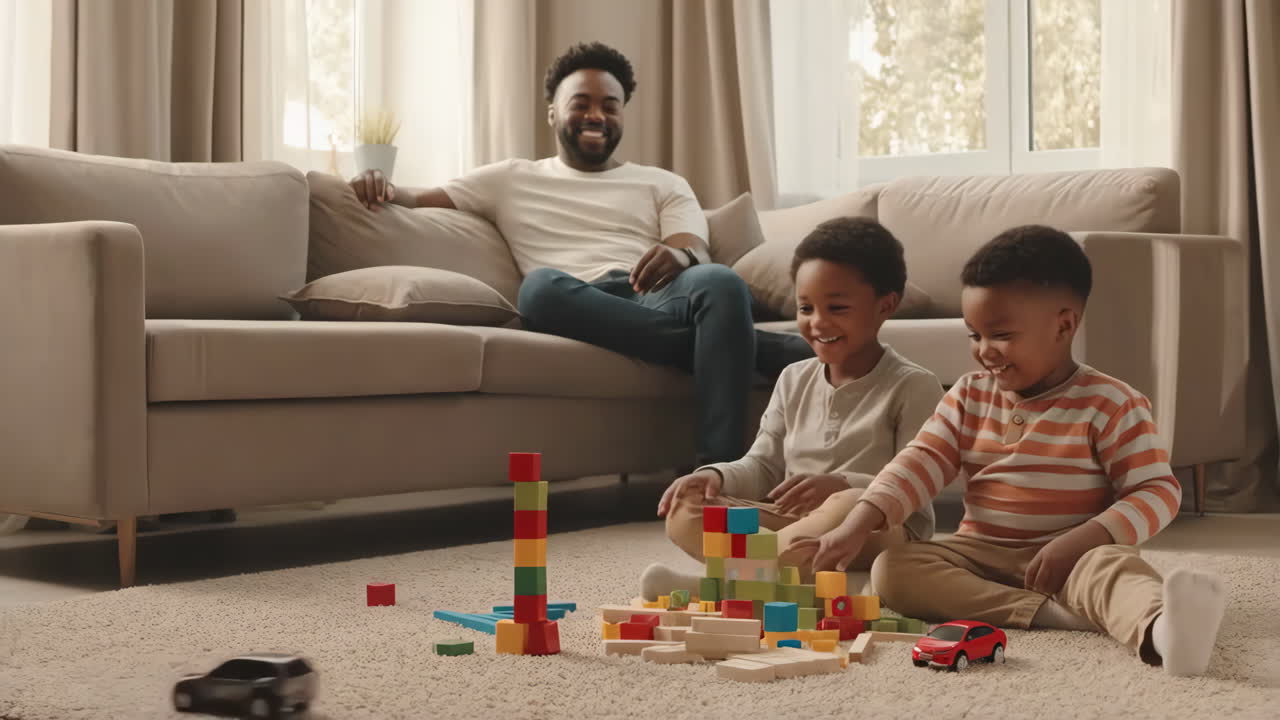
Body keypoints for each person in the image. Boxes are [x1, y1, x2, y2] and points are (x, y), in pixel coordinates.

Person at [349, 41, 810, 465]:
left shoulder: (662, 183)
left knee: (721, 281)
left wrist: (682, 258)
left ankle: (718, 472)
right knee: (538, 288)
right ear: (553, 113)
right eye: (581, 104)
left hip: (650, 295)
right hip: (573, 301)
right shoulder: (509, 178)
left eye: (610, 106)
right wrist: (379, 183)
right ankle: (754, 348)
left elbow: (693, 248)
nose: (596, 115)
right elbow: (418, 198)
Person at [804, 225, 1225, 676]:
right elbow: (919, 460)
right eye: (974, 335)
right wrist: (857, 524)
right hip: (978, 553)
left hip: (1076, 556)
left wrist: (1086, 538)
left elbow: (1157, 490)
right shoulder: (968, 395)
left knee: (1116, 572)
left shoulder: (1112, 403)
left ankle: (1164, 632)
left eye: (1000, 335)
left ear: (1064, 325)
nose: (984, 351)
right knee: (892, 569)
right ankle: (1053, 614)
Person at [641, 218, 944, 600]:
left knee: (846, 504)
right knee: (687, 507)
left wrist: (843, 484)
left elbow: (916, 485)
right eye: (805, 307)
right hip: (791, 522)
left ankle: (722, 587)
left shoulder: (913, 385)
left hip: (878, 524)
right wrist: (716, 476)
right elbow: (763, 465)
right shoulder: (792, 378)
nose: (818, 322)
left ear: (885, 305)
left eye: (837, 307)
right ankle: (794, 572)